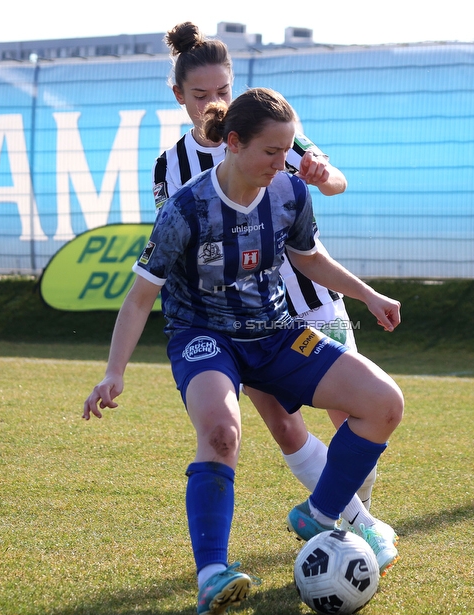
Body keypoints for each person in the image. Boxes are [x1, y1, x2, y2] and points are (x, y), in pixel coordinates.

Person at [83, 88, 404, 615]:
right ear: (233, 143)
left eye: (287, 152)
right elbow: (140, 296)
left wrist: (369, 295)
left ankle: (319, 513)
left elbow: (308, 257)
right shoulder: (186, 208)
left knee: (384, 402)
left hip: (277, 334)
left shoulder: (290, 194)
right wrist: (114, 372)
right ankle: (212, 576)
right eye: (271, 152)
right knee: (221, 434)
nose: (283, 164)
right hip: (204, 337)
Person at [152, 22, 398, 572]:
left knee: (351, 416)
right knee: (285, 425)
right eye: (201, 94)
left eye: (223, 89)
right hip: (243, 315)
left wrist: (320, 172)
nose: (214, 102)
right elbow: (178, 243)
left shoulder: (269, 127)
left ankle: (342, 521)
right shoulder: (173, 166)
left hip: (311, 294)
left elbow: (334, 182)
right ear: (179, 97)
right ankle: (358, 534)